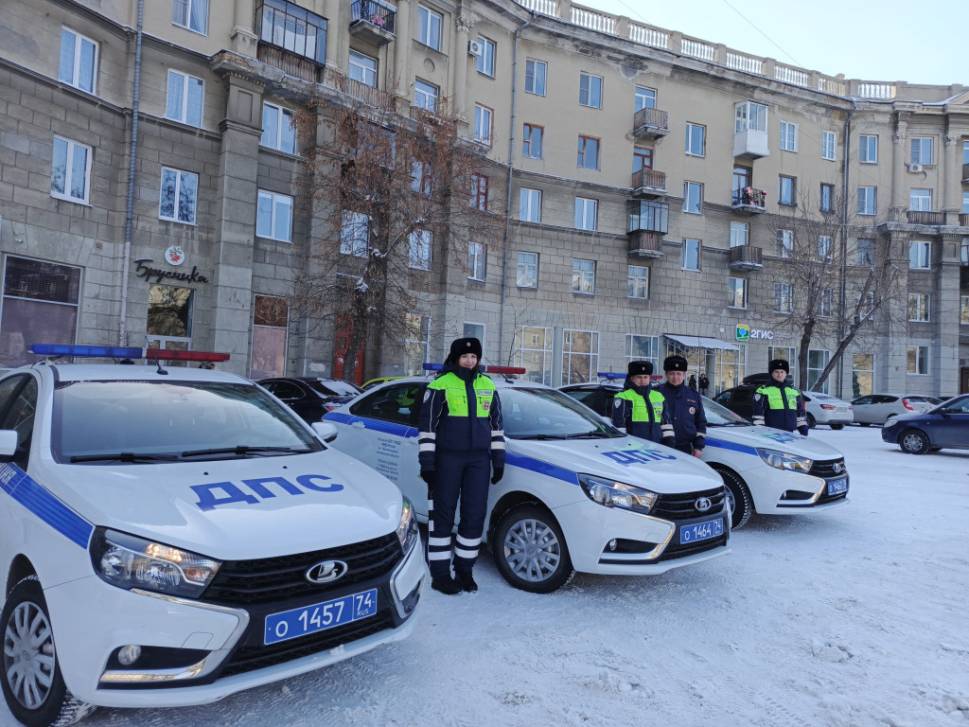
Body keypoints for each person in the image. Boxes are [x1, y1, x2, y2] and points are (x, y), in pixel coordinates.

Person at [417, 337, 504, 595]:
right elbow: (427, 428)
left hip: (479, 461)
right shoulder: (439, 385)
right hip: (447, 459)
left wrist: (498, 460)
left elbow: (497, 427)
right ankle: (440, 574)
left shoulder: (488, 385)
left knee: (474, 516)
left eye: (474, 357)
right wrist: (428, 463)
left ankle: (465, 569)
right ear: (455, 358)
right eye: (465, 357)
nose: (470, 361)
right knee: (442, 516)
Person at [611, 361, 674, 446]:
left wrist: (670, 443)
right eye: (639, 377)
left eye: (645, 377)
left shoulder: (659, 396)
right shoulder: (623, 396)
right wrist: (621, 445)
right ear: (632, 378)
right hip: (633, 448)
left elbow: (666, 423)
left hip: (657, 447)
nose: (643, 380)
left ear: (649, 378)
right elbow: (618, 425)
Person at [657, 355, 706, 456]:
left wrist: (698, 446)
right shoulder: (656, 393)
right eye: (672, 374)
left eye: (679, 374)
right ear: (666, 374)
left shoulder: (693, 395)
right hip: (660, 446)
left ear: (684, 375)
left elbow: (700, 422)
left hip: (685, 448)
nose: (675, 377)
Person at [752, 359, 809, 436]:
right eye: (776, 372)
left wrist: (804, 430)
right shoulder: (763, 390)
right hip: (771, 433)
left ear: (786, 373)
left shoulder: (794, 391)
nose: (779, 375)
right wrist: (761, 431)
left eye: (782, 372)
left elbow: (800, 413)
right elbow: (758, 414)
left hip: (790, 433)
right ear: (771, 373)